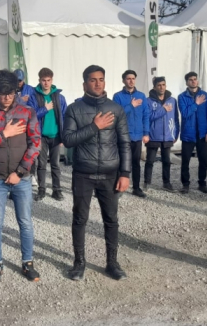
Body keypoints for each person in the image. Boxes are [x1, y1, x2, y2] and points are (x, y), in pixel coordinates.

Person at [63, 65, 131, 281]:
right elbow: (68, 140)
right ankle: (79, 263)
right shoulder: (74, 109)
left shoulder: (116, 109)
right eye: (93, 80)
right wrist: (94, 126)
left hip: (111, 175)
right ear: (85, 84)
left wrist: (125, 173)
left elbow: (125, 143)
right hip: (83, 173)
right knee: (80, 219)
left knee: (111, 219)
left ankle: (112, 263)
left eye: (101, 79)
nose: (98, 83)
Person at [0, 70, 42, 284]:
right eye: (2, 93)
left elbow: (36, 144)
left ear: (16, 91)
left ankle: (27, 262)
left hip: (21, 178)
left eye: (10, 93)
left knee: (25, 222)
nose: (6, 98)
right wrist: (4, 134)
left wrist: (20, 172)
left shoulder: (27, 112)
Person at [28, 67, 67, 201]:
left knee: (56, 164)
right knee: (41, 164)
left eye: (48, 80)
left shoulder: (59, 97)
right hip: (41, 136)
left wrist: (63, 135)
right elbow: (31, 116)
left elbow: (64, 116)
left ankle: (57, 190)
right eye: (43, 80)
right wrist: (45, 109)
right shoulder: (34, 96)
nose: (46, 83)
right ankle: (41, 189)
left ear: (52, 80)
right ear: (39, 80)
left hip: (56, 136)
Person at [113, 70, 150, 197]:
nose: (131, 81)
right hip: (123, 135)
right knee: (122, 162)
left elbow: (146, 115)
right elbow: (117, 114)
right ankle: (119, 187)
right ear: (123, 80)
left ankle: (136, 187)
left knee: (136, 163)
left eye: (133, 78)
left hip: (137, 136)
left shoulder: (142, 96)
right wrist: (131, 105)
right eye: (128, 78)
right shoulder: (117, 96)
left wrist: (146, 133)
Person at [178, 71, 207, 194]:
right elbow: (185, 113)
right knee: (185, 160)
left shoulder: (205, 95)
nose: (193, 81)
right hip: (188, 133)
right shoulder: (182, 97)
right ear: (186, 82)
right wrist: (195, 104)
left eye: (195, 79)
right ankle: (185, 184)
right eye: (191, 79)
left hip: (202, 133)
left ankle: (202, 183)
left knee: (204, 160)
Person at [144, 76, 179, 192]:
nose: (161, 87)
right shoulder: (149, 101)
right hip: (153, 135)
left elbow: (175, 118)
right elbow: (148, 117)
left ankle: (166, 182)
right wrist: (163, 110)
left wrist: (176, 132)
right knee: (150, 160)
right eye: (159, 85)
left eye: (163, 85)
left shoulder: (172, 100)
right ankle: (147, 182)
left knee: (166, 161)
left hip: (168, 135)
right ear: (154, 87)